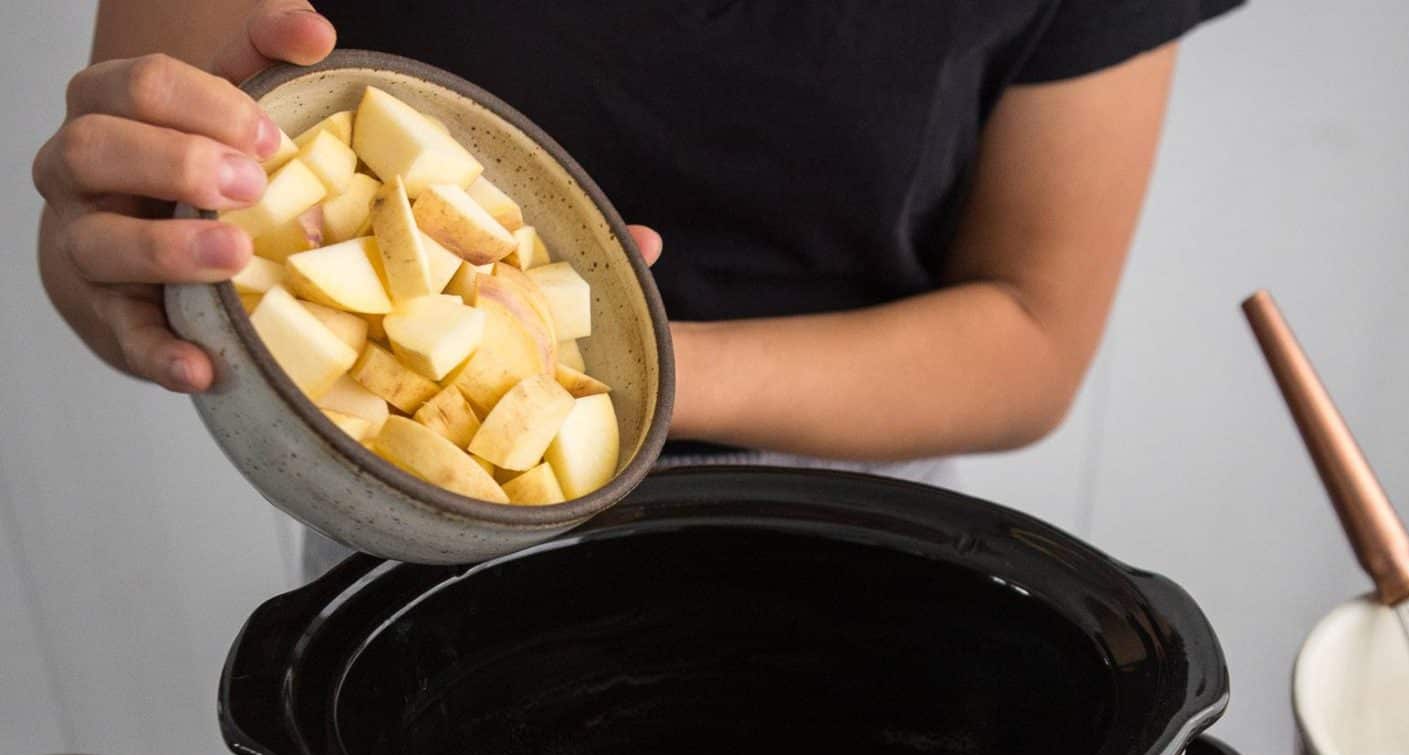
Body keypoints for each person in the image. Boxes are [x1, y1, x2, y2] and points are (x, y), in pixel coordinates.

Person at [34, 0, 1242, 571]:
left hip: (857, 519)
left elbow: (1029, 340)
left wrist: (605, 367)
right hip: (410, 517)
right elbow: (136, 233)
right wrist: (116, 251)